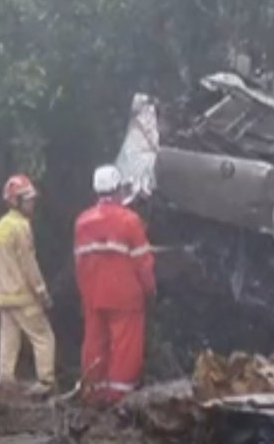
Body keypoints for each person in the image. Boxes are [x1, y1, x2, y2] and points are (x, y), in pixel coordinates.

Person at [74, 164, 156, 404]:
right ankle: (119, 399)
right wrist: (150, 290)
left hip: (92, 295)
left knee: (94, 343)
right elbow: (144, 263)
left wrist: (84, 293)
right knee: (125, 347)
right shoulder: (130, 221)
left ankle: (92, 395)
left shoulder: (82, 222)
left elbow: (79, 263)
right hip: (125, 296)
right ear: (119, 189)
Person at [0, 174, 56, 397]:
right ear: (14, 201)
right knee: (44, 336)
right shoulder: (21, 227)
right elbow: (29, 265)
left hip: (3, 295)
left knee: (9, 340)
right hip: (23, 295)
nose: (32, 203)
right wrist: (42, 292)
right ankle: (46, 383)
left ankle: (5, 380)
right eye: (27, 199)